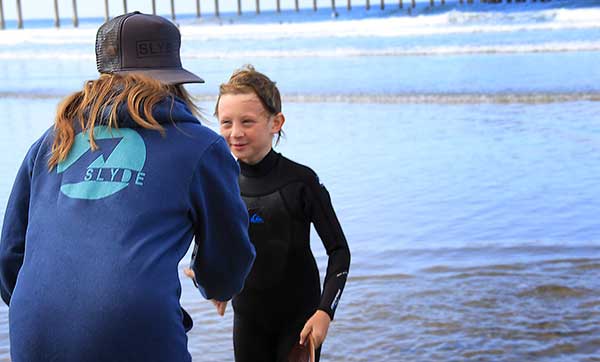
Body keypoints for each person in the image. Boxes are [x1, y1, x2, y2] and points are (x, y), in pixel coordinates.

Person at [0, 12, 255, 362]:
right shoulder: (199, 146)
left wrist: (56, 312)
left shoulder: (51, 141)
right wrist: (212, 284)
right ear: (174, 78)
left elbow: (10, 255)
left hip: (33, 328)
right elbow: (228, 262)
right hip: (132, 327)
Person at [201, 65, 350, 361]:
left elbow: (339, 252)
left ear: (276, 122)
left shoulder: (301, 182)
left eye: (247, 121)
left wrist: (324, 313)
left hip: (299, 323)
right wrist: (214, 282)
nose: (236, 133)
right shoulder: (221, 183)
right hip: (248, 322)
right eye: (226, 122)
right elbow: (215, 245)